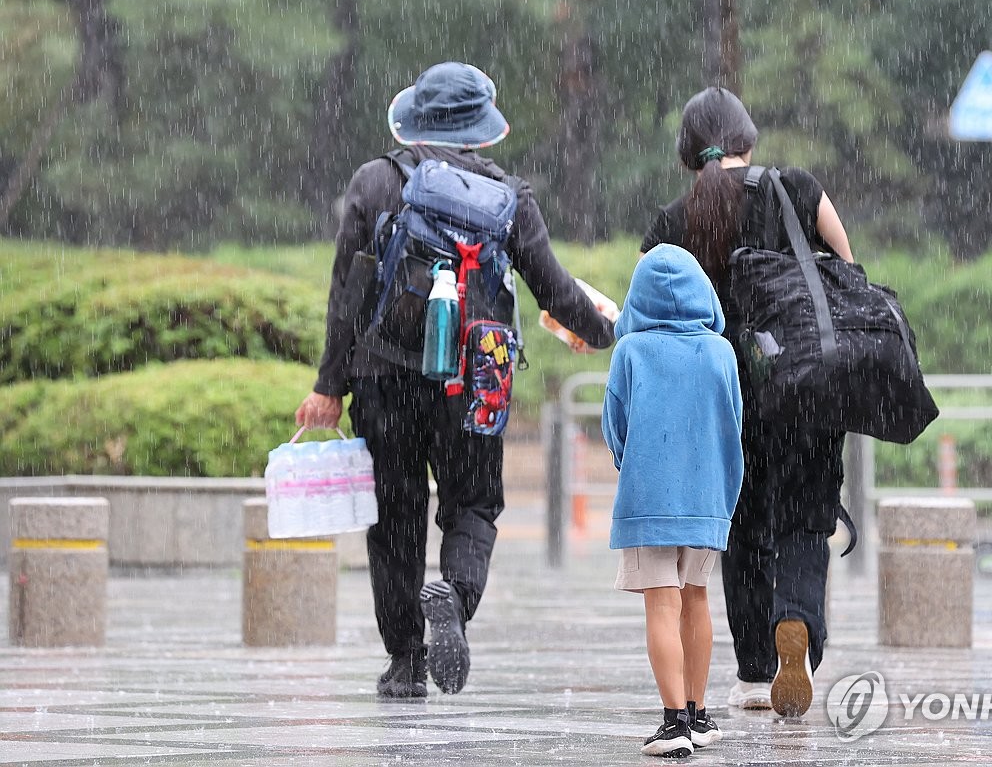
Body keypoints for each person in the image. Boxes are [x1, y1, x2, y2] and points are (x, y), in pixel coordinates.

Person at [295, 61, 615, 699]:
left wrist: (330, 385)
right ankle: (456, 599)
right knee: (473, 504)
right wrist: (605, 330)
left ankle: (406, 660)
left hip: (383, 376)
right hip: (473, 379)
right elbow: (552, 289)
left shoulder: (373, 182)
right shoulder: (509, 196)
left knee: (395, 517)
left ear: (414, 119)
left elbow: (347, 296)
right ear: (480, 131)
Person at [639, 87, 855, 717]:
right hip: (803, 387)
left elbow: (649, 311)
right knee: (806, 519)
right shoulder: (796, 188)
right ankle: (799, 625)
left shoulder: (672, 220)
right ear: (748, 141)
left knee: (740, 531)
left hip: (720, 399)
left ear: (688, 155)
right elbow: (847, 268)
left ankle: (757, 671)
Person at [601, 244, 744, 757]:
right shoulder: (720, 352)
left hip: (649, 497)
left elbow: (615, 428)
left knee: (662, 603)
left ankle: (673, 723)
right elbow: (733, 425)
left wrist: (633, 461)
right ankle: (701, 715)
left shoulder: (631, 352)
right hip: (707, 497)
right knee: (697, 598)